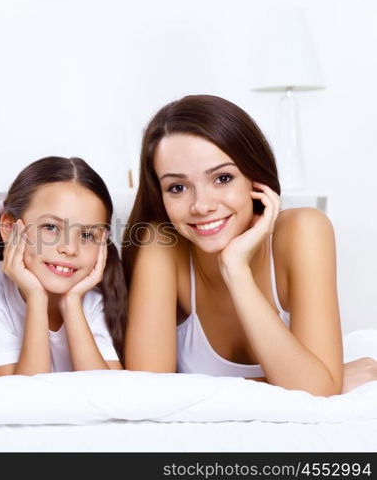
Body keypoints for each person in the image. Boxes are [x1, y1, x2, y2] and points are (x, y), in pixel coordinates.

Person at [123, 94, 358, 396]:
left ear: (254, 178)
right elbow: (147, 393)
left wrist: (236, 271)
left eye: (222, 178)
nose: (201, 205)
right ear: (160, 195)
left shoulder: (304, 230)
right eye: (178, 187)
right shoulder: (161, 245)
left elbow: (317, 395)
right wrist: (316, 378)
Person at [0, 156, 127, 376]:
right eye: (51, 227)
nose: (70, 249)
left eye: (88, 235)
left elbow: (106, 394)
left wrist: (71, 304)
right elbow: (23, 398)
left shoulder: (90, 294)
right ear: (10, 228)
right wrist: (36, 298)